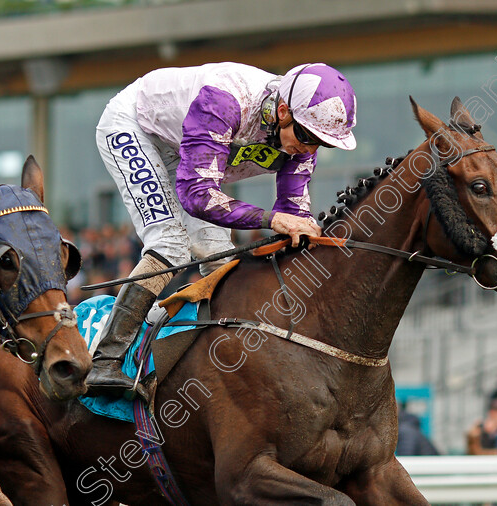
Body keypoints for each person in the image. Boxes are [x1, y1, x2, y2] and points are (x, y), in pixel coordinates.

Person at [87, 62, 357, 399]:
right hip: (138, 127)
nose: (309, 149)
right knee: (170, 244)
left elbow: (292, 217)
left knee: (218, 258)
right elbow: (197, 195)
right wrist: (272, 220)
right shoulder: (225, 101)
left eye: (322, 143)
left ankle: (194, 355)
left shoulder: (300, 139)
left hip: (190, 155)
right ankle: (105, 359)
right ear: (283, 110)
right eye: (306, 136)